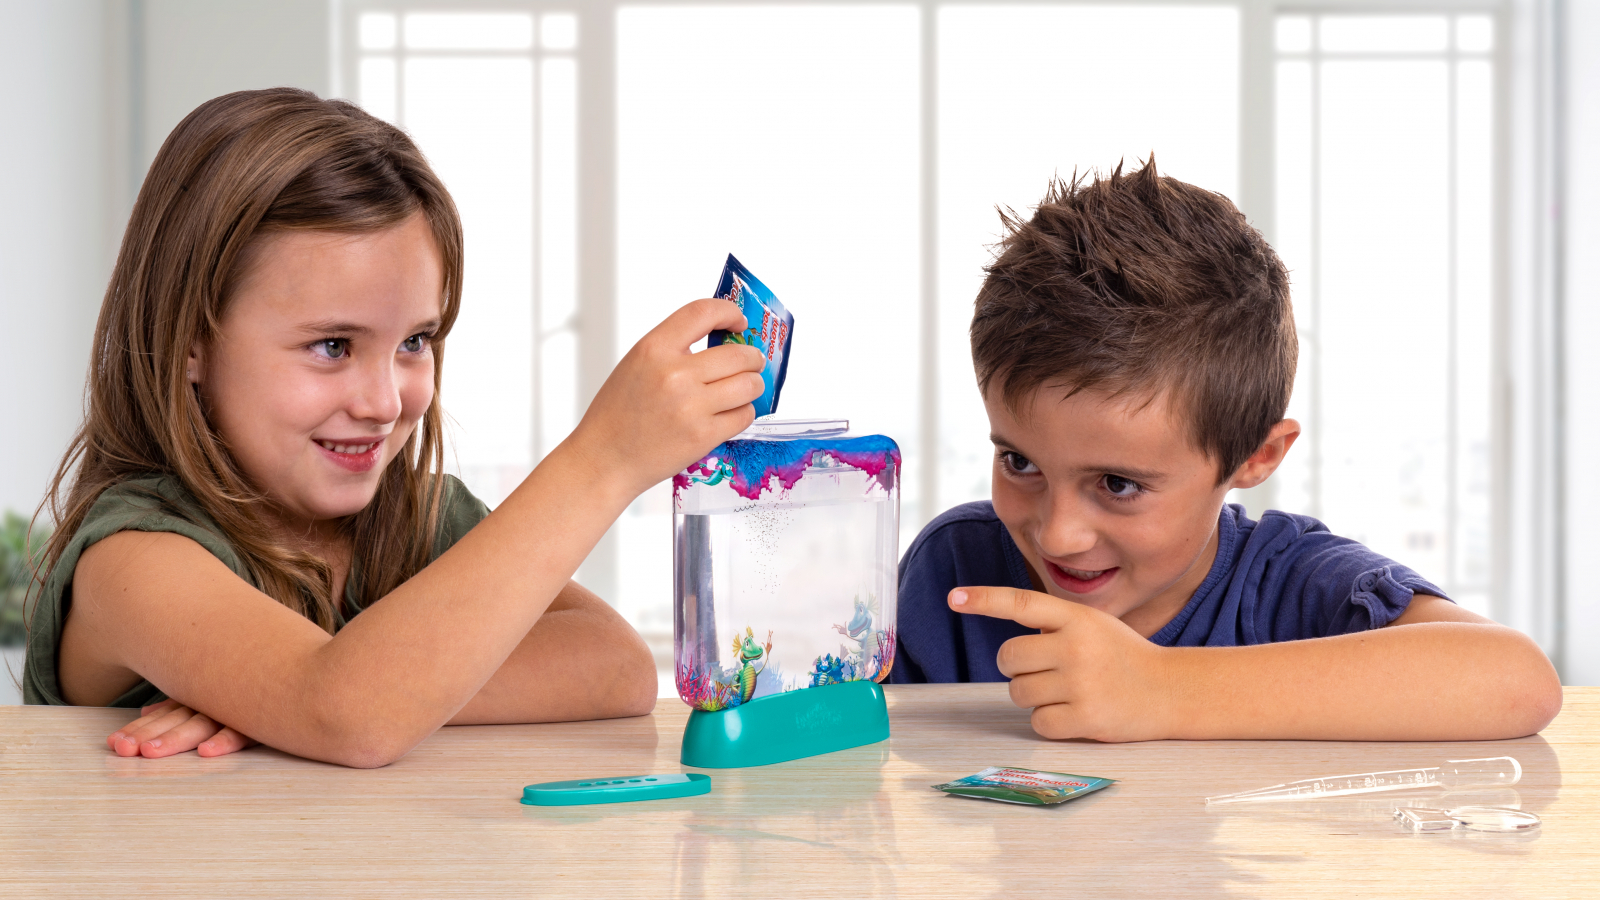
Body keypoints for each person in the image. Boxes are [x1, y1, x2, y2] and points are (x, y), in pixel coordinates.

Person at [22, 88, 767, 767]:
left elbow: (616, 665)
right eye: (332, 346)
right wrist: (603, 459)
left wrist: (294, 699)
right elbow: (350, 712)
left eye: (414, 341)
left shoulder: (421, 515)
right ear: (192, 342)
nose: (383, 402)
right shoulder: (130, 559)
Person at [890, 159, 1563, 742]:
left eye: (1119, 484)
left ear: (1255, 457)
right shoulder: (955, 569)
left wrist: (1161, 688)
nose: (1058, 534)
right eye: (1020, 463)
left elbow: (1516, 680)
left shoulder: (1290, 584)